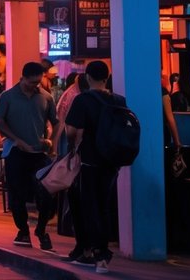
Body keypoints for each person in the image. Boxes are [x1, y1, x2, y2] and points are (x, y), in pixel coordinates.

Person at [64, 60, 125, 273]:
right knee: (104, 205)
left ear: (87, 77)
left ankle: (97, 254)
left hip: (89, 159)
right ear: (106, 78)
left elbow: (71, 131)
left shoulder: (83, 100)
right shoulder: (119, 100)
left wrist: (73, 148)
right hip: (112, 160)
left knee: (89, 205)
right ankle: (98, 251)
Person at [0, 61, 59, 252]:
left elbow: (56, 123)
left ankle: (41, 230)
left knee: (46, 192)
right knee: (16, 194)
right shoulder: (7, 97)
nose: (34, 86)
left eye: (37, 82)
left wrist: (52, 142)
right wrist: (15, 139)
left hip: (39, 153)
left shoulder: (46, 97)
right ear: (22, 78)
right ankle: (23, 230)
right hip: (16, 152)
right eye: (31, 82)